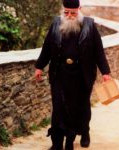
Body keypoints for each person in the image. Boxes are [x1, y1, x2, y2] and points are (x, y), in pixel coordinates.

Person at [34, 0, 111, 149]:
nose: (69, 16)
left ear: (79, 9)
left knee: (79, 108)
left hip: (81, 76)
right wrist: (39, 66)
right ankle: (57, 143)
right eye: (66, 12)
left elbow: (98, 51)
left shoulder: (89, 25)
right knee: (58, 109)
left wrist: (105, 72)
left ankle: (80, 134)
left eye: (73, 13)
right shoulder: (56, 24)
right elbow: (47, 47)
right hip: (59, 74)